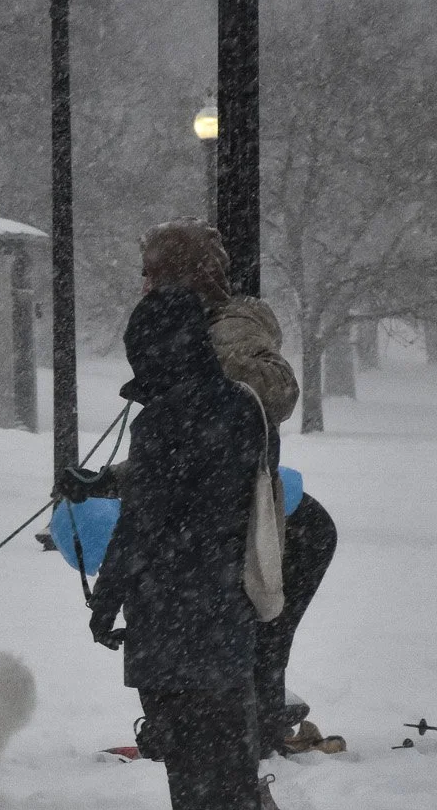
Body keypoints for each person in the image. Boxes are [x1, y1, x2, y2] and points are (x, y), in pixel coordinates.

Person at [65, 222, 338, 762]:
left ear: (187, 275)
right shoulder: (188, 330)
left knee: (249, 648)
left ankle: (237, 759)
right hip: (240, 529)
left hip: (252, 533)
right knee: (242, 647)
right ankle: (228, 753)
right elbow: (184, 459)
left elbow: (260, 406)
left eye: (154, 273)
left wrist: (209, 372)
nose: (144, 284)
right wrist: (111, 480)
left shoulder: (227, 332)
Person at [80, 224, 265, 810]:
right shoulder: (239, 409)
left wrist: (105, 603)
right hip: (226, 593)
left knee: (183, 732)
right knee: (228, 722)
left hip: (169, 600)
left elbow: (141, 525)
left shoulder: (162, 424)